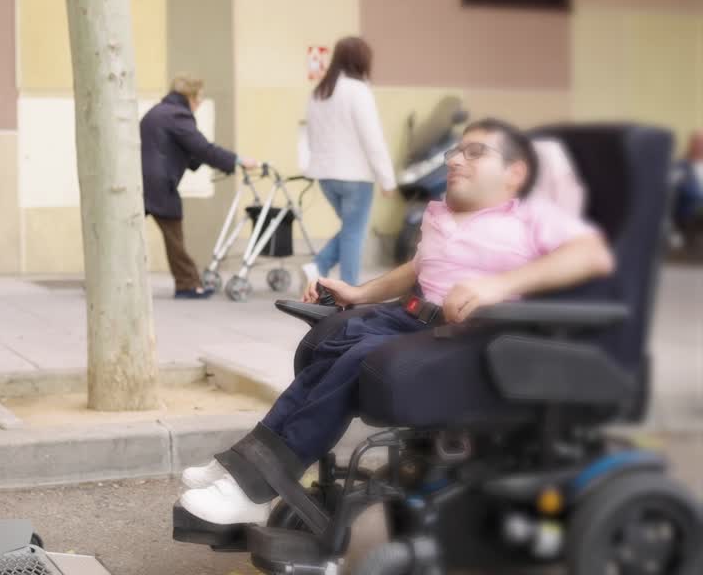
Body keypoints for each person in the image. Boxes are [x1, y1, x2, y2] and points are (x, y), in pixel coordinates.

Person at [178, 119, 615, 525]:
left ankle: (255, 488)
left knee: (361, 358)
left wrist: (498, 286)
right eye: (456, 152)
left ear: (515, 174)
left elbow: (592, 254)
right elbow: (419, 267)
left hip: (474, 336)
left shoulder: (530, 216)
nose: (455, 159)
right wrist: (360, 293)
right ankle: (245, 465)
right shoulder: (444, 213)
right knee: (335, 344)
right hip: (409, 319)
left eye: (474, 152)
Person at [141, 75, 257, 299]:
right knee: (174, 234)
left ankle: (107, 280)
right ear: (191, 96)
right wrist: (238, 161)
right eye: (200, 96)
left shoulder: (160, 111)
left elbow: (187, 150)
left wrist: (207, 161)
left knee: (127, 234)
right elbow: (202, 148)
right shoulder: (177, 115)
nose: (201, 102)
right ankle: (187, 284)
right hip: (158, 183)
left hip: (141, 180)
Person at [300, 37, 396, 289]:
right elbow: (372, 139)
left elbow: (311, 135)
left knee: (351, 229)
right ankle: (348, 289)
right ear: (362, 60)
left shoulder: (319, 91)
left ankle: (318, 266)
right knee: (354, 233)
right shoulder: (358, 91)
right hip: (355, 176)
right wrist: (387, 179)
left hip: (325, 176)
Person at [671, 130, 703, 251]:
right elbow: (671, 193)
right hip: (688, 215)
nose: (700, 146)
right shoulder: (680, 167)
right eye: (698, 143)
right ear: (691, 145)